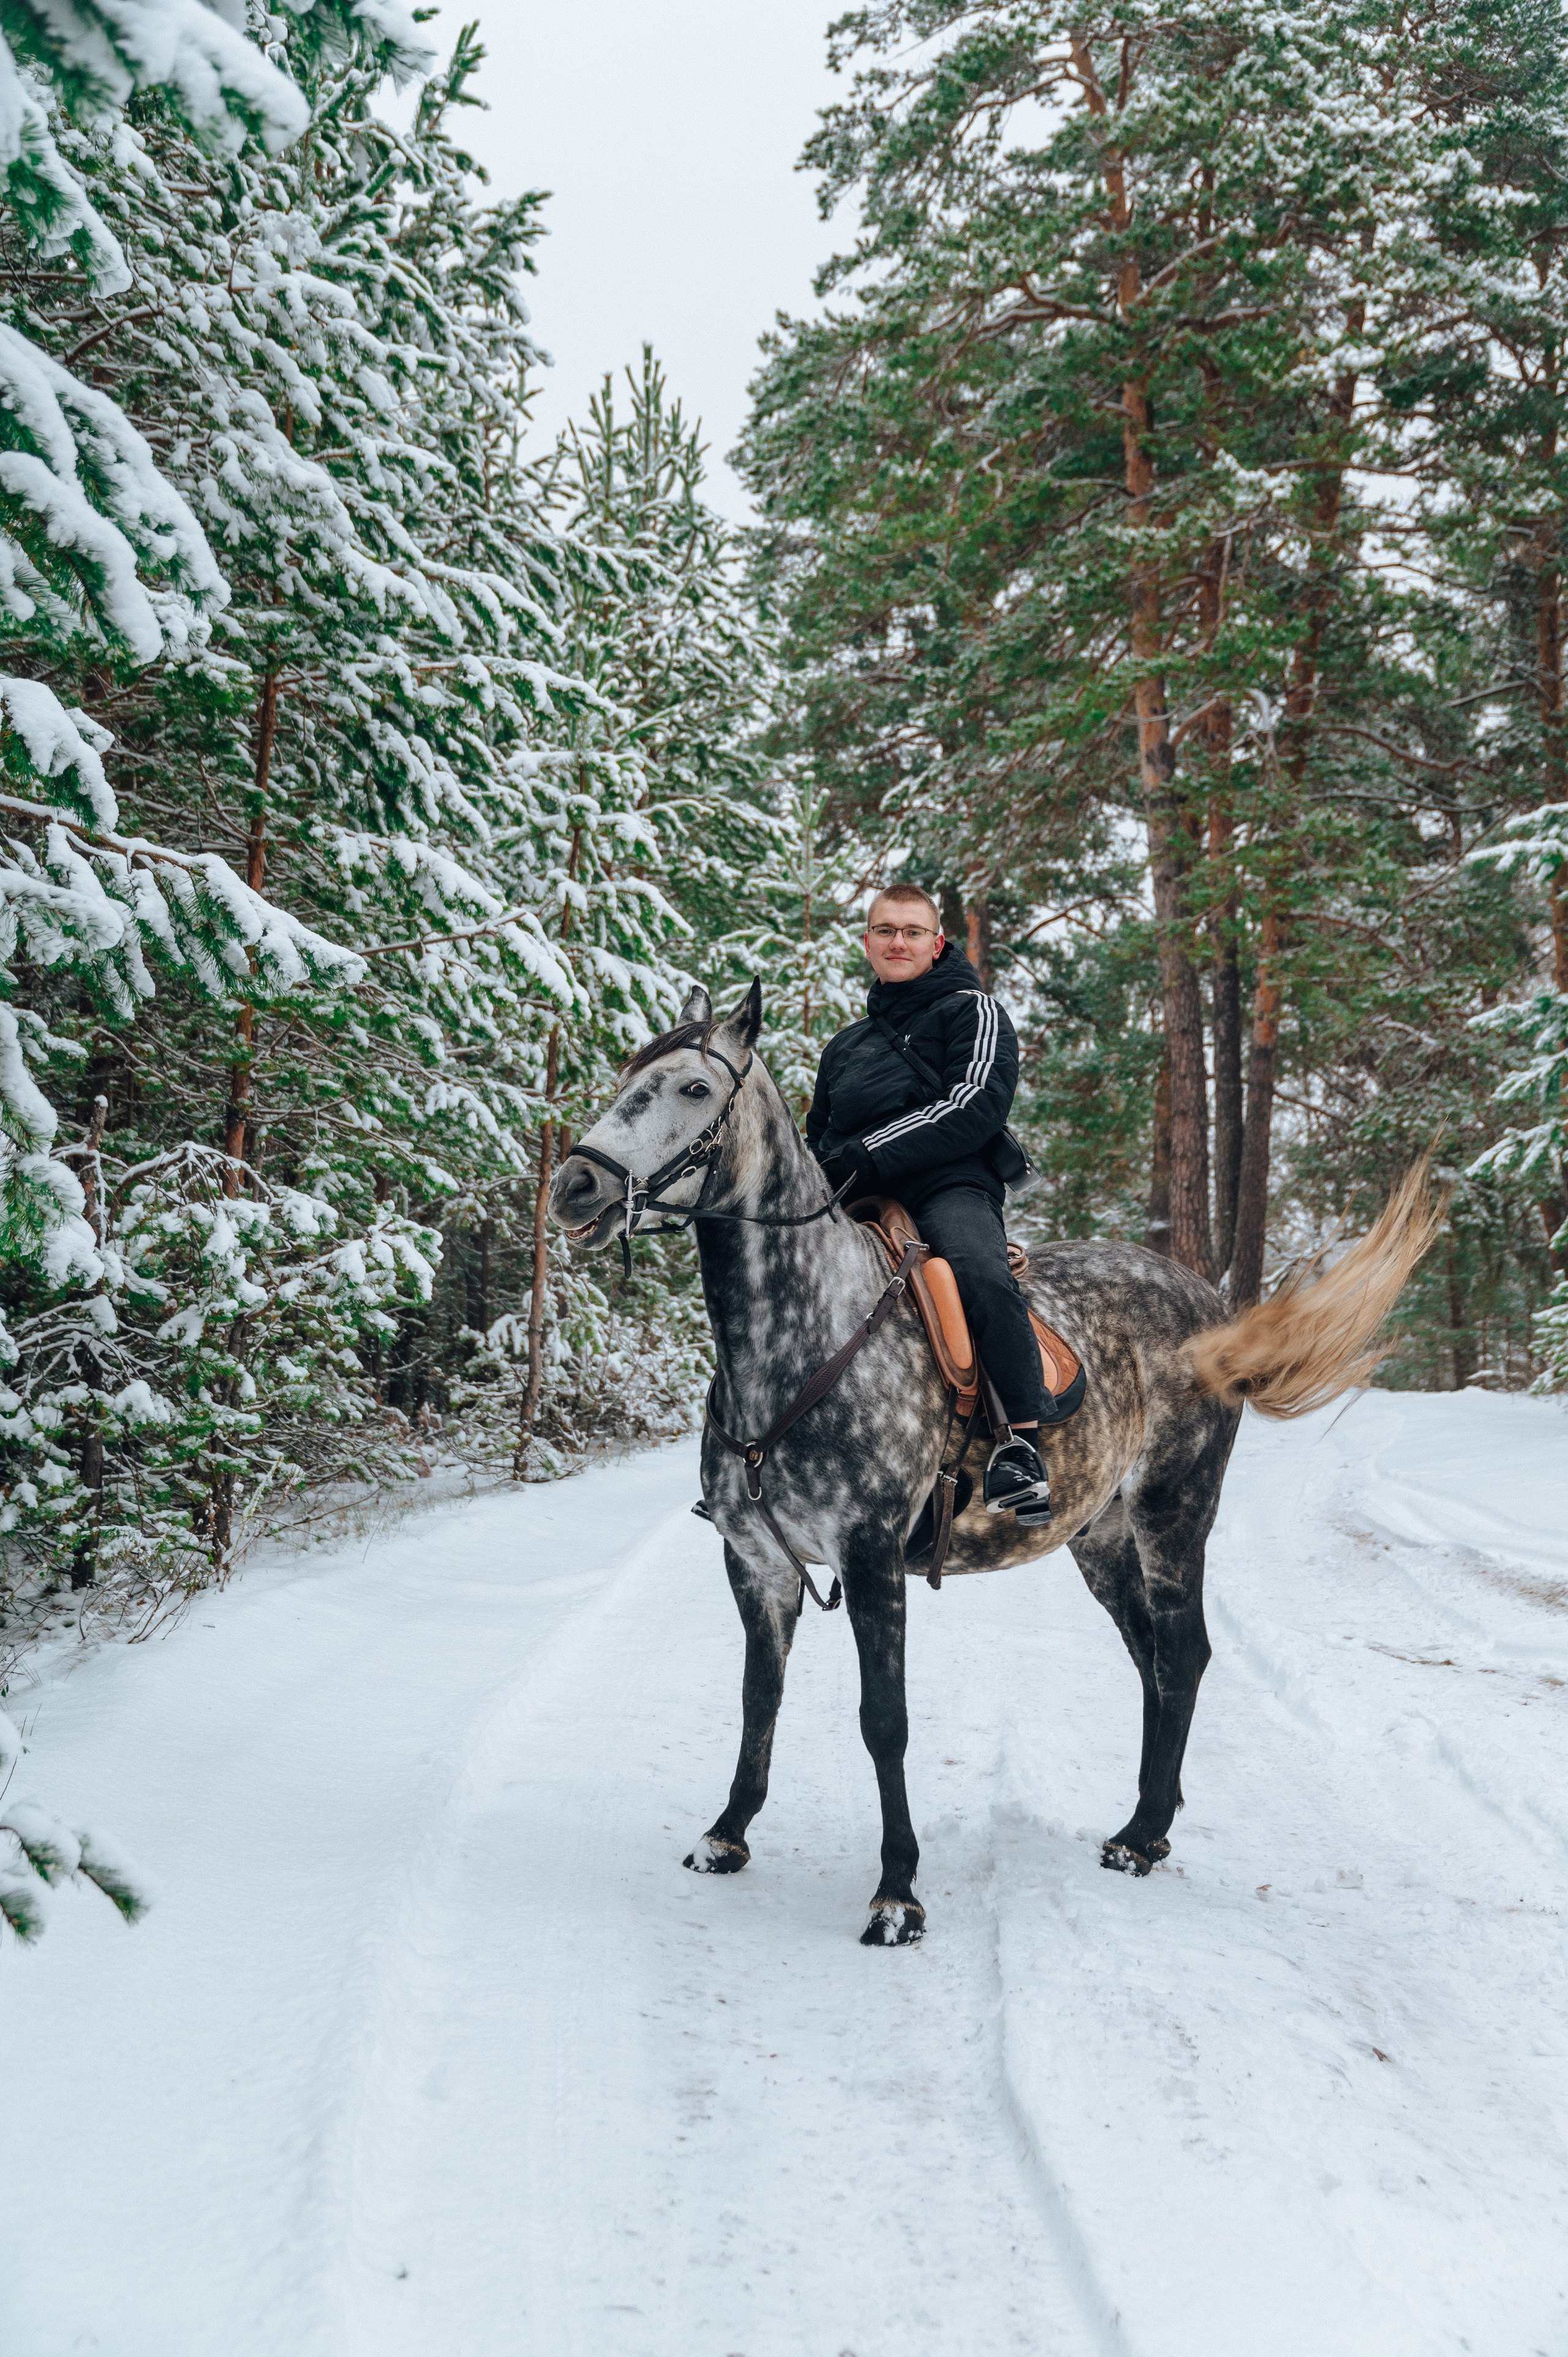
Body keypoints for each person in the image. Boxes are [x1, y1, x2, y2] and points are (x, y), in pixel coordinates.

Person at [806, 883, 1052, 1520]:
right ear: (867, 944)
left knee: (979, 1271)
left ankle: (1020, 1443)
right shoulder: (844, 1046)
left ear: (937, 941)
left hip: (950, 1182)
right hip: (859, 1194)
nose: (897, 941)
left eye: (912, 931)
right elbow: (820, 1137)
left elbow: (971, 1106)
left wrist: (863, 1152)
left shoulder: (974, 1010)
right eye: (884, 930)